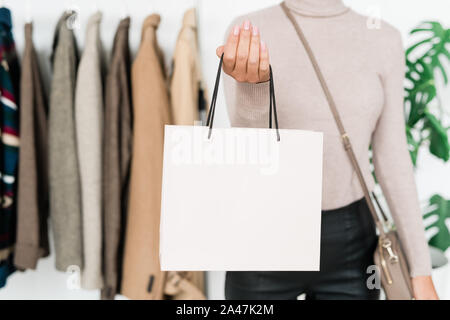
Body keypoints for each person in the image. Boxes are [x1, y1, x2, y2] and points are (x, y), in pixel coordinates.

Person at [218, 0, 439, 300]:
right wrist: (252, 89)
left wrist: (421, 271)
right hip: (266, 233)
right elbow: (249, 149)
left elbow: (393, 156)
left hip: (350, 239)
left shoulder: (384, 39)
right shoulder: (249, 32)